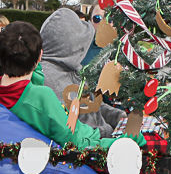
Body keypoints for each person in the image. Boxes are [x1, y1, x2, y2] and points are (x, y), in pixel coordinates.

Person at [0, 21, 115, 150]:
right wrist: (118, 141)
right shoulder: (41, 97)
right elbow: (74, 141)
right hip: (85, 140)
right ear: (40, 56)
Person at [40, 8, 125, 137]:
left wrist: (119, 117)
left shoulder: (74, 68)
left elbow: (94, 105)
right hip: (90, 147)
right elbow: (75, 128)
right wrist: (110, 132)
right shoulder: (48, 78)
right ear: (72, 46)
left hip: (101, 137)